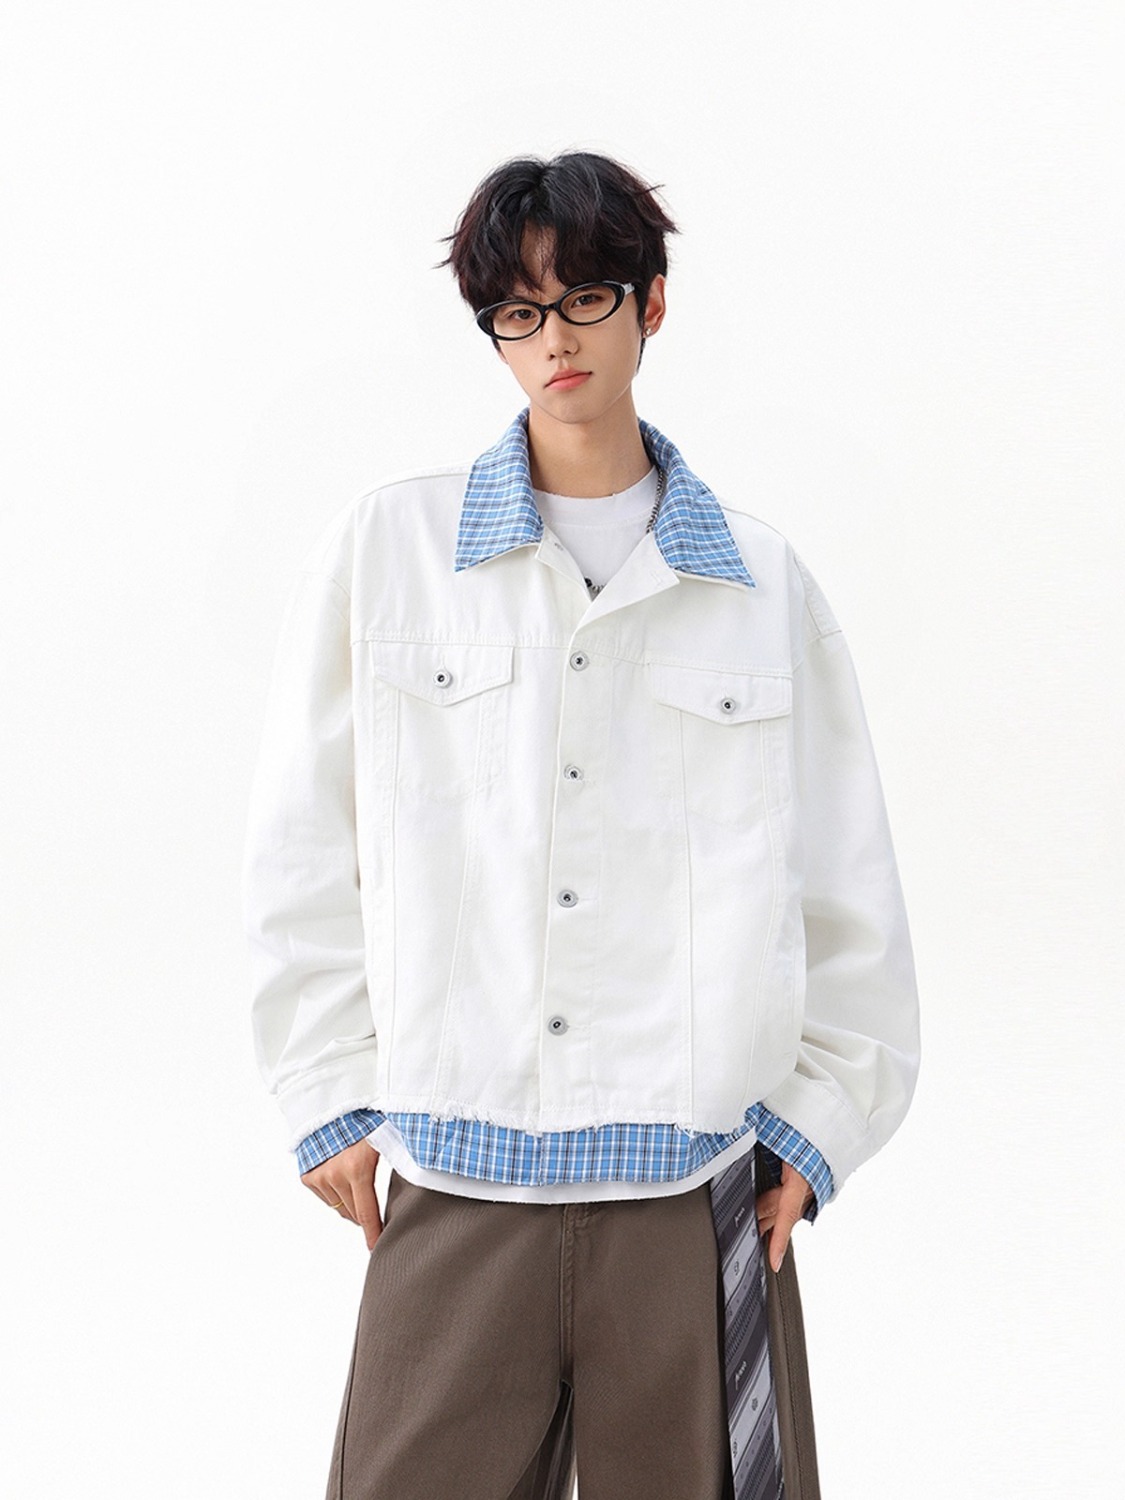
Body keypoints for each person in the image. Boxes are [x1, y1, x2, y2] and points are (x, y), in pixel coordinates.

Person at [242, 150, 920, 1500]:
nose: (553, 340)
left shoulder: (760, 585)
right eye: (518, 311)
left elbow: (849, 883)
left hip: (692, 1191)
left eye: (585, 299)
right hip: (455, 1175)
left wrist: (817, 1128)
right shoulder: (391, 555)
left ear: (650, 305)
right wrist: (325, 1096)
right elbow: (303, 841)